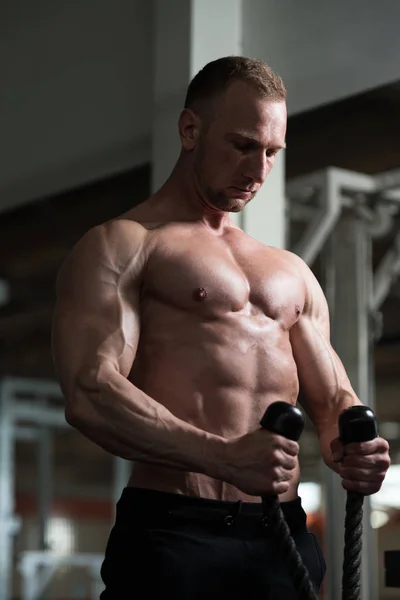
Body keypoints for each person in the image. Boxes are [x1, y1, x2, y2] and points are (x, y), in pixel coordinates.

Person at [51, 56, 391, 599]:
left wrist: (353, 446)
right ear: (190, 130)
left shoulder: (290, 272)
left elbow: (333, 401)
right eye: (241, 145)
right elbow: (91, 392)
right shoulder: (125, 245)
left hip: (280, 533)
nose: (257, 170)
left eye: (271, 153)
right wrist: (222, 456)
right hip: (174, 530)